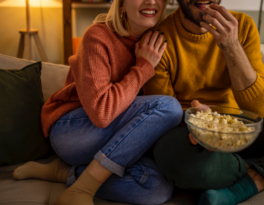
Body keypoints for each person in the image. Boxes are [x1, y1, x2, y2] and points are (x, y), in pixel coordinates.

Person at [143, 0, 264, 204]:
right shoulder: (158, 39)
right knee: (170, 155)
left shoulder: (243, 26)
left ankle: (254, 180)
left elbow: (258, 109)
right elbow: (162, 114)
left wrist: (230, 45)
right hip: (191, 136)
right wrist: (200, 121)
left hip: (241, 127)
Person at [12, 0, 184, 205]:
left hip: (117, 142)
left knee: (157, 188)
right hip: (74, 131)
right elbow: (101, 113)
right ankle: (83, 189)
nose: (151, 1)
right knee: (168, 107)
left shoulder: (160, 44)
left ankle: (65, 173)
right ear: (121, 5)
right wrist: (143, 67)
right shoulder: (98, 36)